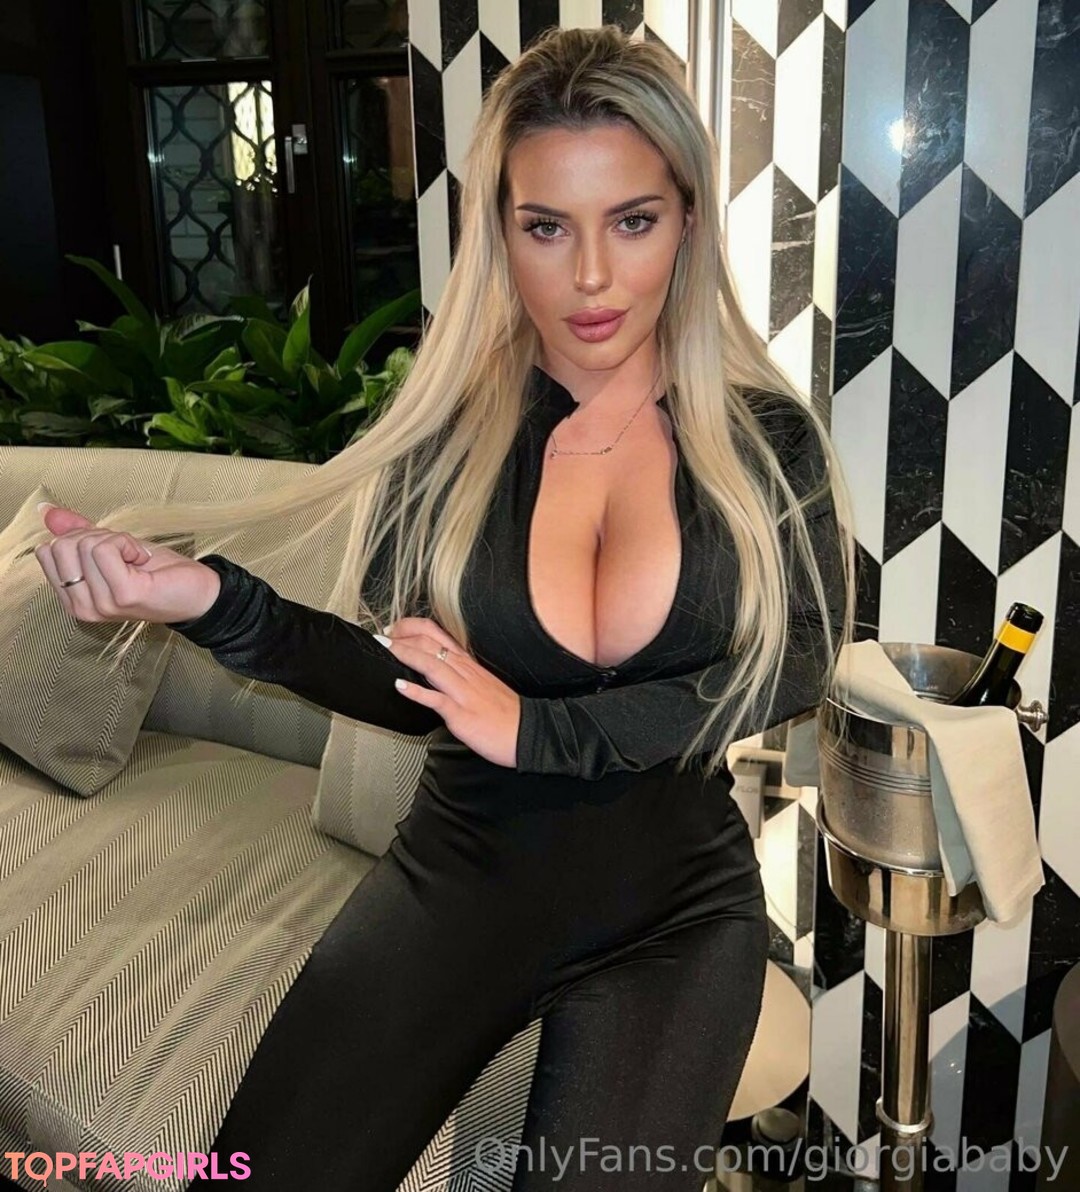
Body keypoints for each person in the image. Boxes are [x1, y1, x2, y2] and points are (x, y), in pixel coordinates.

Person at [28, 24, 857, 1192]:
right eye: (545, 227)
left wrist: (542, 730)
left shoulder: (768, 444)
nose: (590, 278)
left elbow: (791, 667)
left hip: (675, 910)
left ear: (688, 219)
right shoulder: (449, 446)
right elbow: (410, 687)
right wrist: (209, 601)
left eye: (632, 220)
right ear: (498, 233)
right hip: (462, 874)